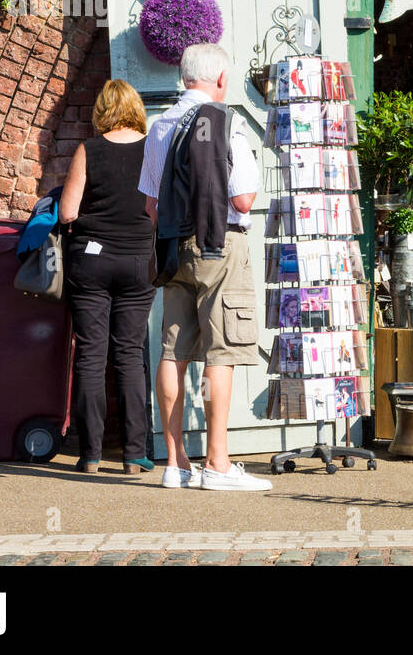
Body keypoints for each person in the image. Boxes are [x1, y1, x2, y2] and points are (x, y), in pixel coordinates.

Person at [139, 43, 271, 491]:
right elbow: (243, 199)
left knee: (172, 350)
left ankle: (175, 463)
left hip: (173, 249)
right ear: (219, 79)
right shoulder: (226, 123)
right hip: (220, 246)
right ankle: (217, 463)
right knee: (221, 353)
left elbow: (150, 204)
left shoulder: (159, 127)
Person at [59, 79, 157, 475]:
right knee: (130, 355)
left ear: (102, 111)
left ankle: (91, 455)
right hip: (137, 263)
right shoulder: (153, 150)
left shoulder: (89, 150)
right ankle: (134, 455)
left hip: (92, 263)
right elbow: (160, 208)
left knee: (90, 355)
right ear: (136, 110)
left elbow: (67, 212)